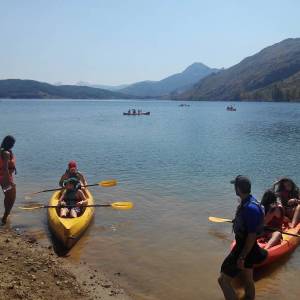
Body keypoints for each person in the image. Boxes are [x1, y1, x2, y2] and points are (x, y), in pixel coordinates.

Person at [218, 175, 267, 300]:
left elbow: (251, 235)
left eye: (235, 186)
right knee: (248, 279)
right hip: (250, 248)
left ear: (238, 189)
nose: (234, 189)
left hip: (243, 248)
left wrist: (242, 257)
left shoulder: (250, 209)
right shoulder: (251, 201)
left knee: (223, 280)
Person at [0, 135, 16, 224]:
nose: (13, 145)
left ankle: (5, 215)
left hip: (4, 177)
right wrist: (9, 181)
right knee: (11, 197)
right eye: (12, 143)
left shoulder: (3, 151)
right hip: (5, 177)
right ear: (8, 143)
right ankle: (5, 216)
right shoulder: (6, 153)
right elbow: (5, 168)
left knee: (8, 196)